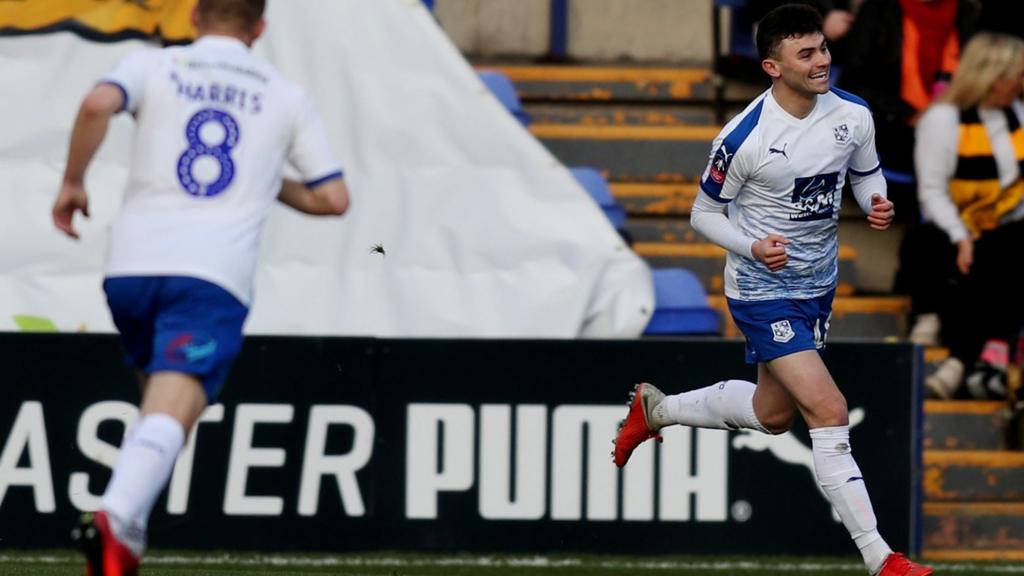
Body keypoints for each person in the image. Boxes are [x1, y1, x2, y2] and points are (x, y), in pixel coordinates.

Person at [613, 5, 931, 576]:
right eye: (806, 53)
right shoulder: (743, 138)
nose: (821, 61)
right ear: (771, 66)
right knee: (829, 409)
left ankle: (656, 409)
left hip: (818, 284)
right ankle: (881, 559)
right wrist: (751, 247)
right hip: (761, 287)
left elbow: (864, 171)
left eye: (823, 50)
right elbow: (701, 214)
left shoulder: (852, 114)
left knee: (774, 414)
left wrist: (875, 200)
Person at [51, 0, 350, 573]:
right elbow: (333, 197)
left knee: (156, 410)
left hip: (132, 271)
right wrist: (266, 177)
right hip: (210, 273)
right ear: (259, 27)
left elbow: (96, 104)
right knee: (174, 408)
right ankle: (113, 517)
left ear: (193, 18)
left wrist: (71, 183)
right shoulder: (285, 96)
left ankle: (125, 545)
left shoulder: (152, 66)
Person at [914, 31, 1024, 400]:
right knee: (995, 257)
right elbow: (931, 193)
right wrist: (962, 235)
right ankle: (984, 359)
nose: (1022, 82)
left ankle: (961, 362)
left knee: (1006, 249)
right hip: (949, 231)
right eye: (1018, 74)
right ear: (994, 76)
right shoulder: (944, 118)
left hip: (1003, 231)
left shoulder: (1018, 114)